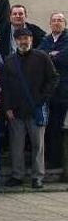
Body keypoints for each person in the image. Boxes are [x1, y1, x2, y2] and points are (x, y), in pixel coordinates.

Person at [0, 27, 59, 188]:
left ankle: (37, 176)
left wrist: (43, 98)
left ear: (31, 40)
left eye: (26, 38)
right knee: (16, 145)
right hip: (16, 110)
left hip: (36, 109)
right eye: (20, 39)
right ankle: (17, 175)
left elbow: (53, 78)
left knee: (38, 145)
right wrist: (7, 108)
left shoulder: (42, 57)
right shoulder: (10, 60)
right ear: (15, 41)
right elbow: (4, 86)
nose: (23, 42)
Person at [39, 12, 68, 176]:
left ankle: (57, 159)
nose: (57, 23)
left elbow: (65, 58)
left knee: (58, 126)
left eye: (60, 20)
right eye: (54, 20)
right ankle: (50, 157)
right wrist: (52, 55)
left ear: (64, 23)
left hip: (63, 91)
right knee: (49, 126)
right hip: (48, 91)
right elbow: (40, 55)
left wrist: (52, 55)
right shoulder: (46, 39)